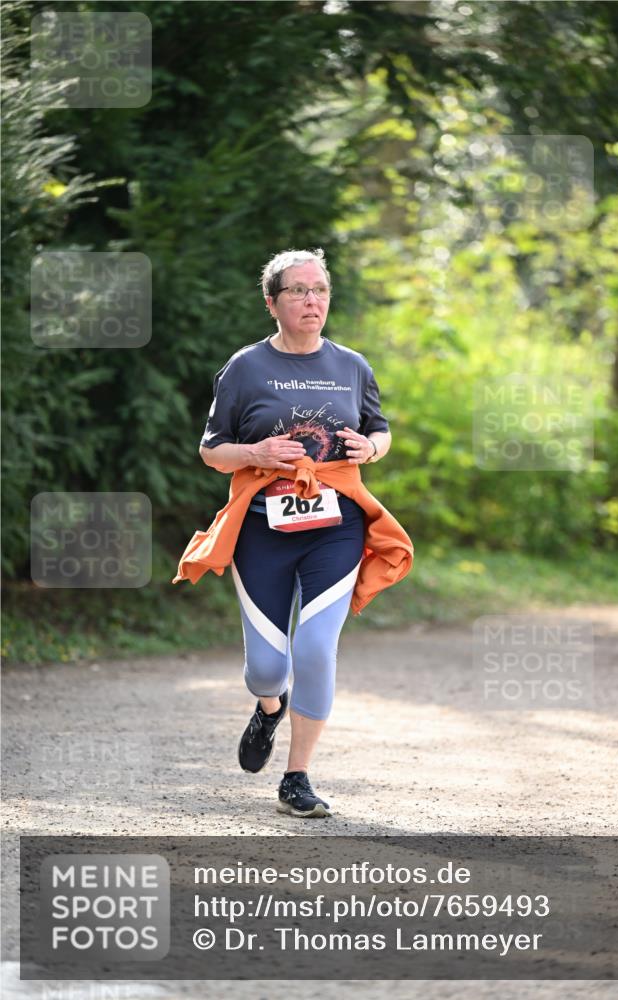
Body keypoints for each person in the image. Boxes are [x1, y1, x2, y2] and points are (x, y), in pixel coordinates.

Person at [176, 248, 412, 818]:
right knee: (266, 668)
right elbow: (212, 450)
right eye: (298, 291)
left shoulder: (352, 366)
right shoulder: (245, 368)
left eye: (320, 290)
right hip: (262, 529)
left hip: (336, 526)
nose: (312, 300)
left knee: (314, 648)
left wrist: (370, 448)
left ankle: (296, 777)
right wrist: (255, 453)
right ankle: (269, 708)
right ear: (272, 303)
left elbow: (380, 431)